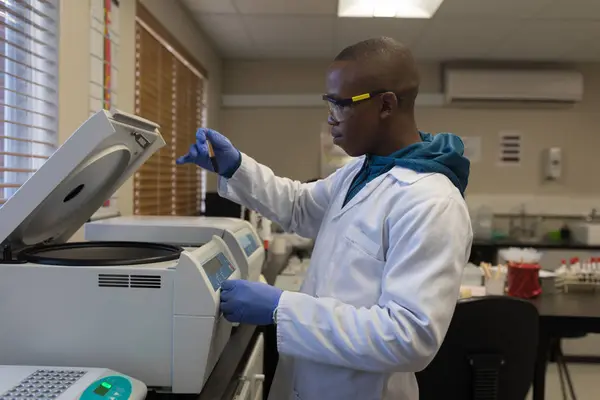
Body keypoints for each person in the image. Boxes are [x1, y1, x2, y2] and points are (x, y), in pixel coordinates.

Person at [177, 37, 473, 400]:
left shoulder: (431, 201)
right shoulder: (360, 172)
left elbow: (410, 337)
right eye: (328, 103)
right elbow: (300, 206)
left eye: (341, 104)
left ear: (386, 104)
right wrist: (236, 166)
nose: (330, 118)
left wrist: (280, 307)